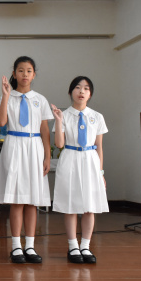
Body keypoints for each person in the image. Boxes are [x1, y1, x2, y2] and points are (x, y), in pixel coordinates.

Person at [0, 56, 53, 263]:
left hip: (34, 147)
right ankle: (16, 246)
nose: (25, 74)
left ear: (34, 74)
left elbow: (44, 130)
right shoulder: (7, 96)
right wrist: (5, 96)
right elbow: (1, 122)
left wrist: (47, 156)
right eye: (20, 70)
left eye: (29, 71)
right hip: (14, 145)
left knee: (32, 201)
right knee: (17, 200)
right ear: (14, 73)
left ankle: (30, 246)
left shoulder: (40, 99)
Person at [51, 76, 108, 264]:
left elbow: (99, 147)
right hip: (70, 158)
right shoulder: (64, 115)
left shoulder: (97, 117)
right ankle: (73, 246)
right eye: (77, 87)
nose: (81, 91)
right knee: (71, 206)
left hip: (90, 160)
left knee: (89, 206)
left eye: (86, 88)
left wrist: (101, 173)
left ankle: (85, 246)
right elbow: (59, 144)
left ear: (90, 94)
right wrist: (58, 120)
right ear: (70, 92)